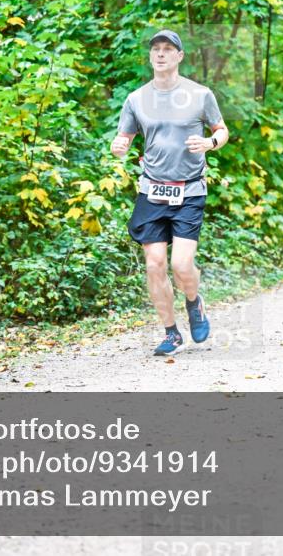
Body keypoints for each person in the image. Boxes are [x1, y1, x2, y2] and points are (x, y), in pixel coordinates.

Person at [111, 29, 230, 355]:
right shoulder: (136, 99)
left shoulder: (200, 94)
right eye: (156, 49)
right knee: (154, 264)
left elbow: (221, 131)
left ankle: (194, 302)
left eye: (168, 49)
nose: (161, 54)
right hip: (152, 192)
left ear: (179, 56)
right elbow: (124, 139)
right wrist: (119, 146)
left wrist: (209, 143)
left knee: (181, 264)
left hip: (189, 192)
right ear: (150, 57)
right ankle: (171, 333)